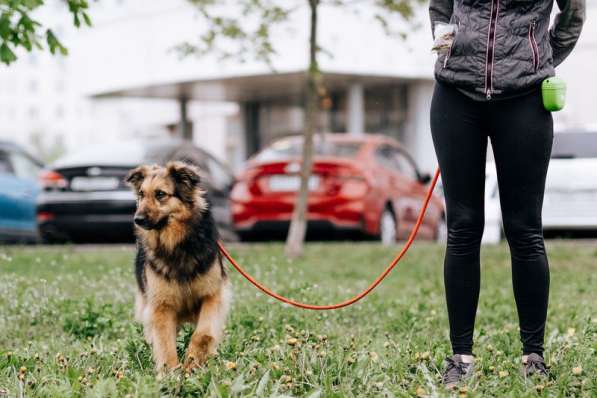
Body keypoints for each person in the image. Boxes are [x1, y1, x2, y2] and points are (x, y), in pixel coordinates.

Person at [428, 0, 585, 388]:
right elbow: (439, 6)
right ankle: (460, 357)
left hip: (525, 99)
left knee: (525, 229)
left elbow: (574, 13)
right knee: (463, 227)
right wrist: (449, 44)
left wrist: (540, 56)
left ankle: (534, 355)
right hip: (456, 95)